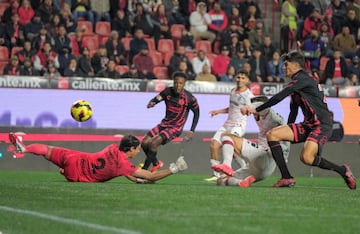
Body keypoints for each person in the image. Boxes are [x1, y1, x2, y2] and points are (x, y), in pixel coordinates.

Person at [242, 50, 356, 189]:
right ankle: (286, 177)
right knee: (273, 134)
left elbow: (280, 96)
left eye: (286, 64)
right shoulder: (298, 83)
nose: (284, 68)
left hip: (322, 124)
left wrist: (257, 109)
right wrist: (287, 132)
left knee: (306, 158)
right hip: (309, 124)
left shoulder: (302, 79)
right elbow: (294, 110)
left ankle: (343, 171)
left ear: (296, 66)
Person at [8, 133, 188, 183]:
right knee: (66, 170)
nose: (138, 151)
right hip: (77, 177)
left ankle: (25, 148)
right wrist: (174, 169)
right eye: (137, 149)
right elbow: (148, 176)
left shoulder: (111, 148)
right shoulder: (123, 165)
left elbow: (127, 173)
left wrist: (135, 178)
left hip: (74, 158)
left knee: (47, 150)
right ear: (131, 149)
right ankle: (64, 172)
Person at [214, 96, 290, 187]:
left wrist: (247, 107)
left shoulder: (267, 110)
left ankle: (226, 164)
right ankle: (241, 183)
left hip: (265, 156)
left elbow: (261, 105)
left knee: (226, 136)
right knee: (221, 180)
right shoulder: (270, 119)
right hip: (265, 170)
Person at [140, 72, 200, 172]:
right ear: (173, 82)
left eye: (180, 83)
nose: (178, 85)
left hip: (176, 127)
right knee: (145, 142)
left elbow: (197, 114)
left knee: (154, 143)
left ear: (184, 84)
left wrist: (192, 130)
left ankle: (144, 170)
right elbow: (158, 98)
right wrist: (152, 102)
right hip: (164, 124)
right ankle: (156, 163)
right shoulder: (167, 92)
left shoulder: (190, 98)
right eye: (176, 83)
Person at [205, 69, 254, 181]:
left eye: (243, 78)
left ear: (247, 80)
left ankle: (240, 169)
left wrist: (248, 110)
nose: (240, 80)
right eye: (238, 77)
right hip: (227, 124)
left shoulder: (249, 95)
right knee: (214, 144)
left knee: (231, 147)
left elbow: (252, 110)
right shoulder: (232, 91)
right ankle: (216, 175)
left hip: (238, 125)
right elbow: (231, 109)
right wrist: (218, 111)